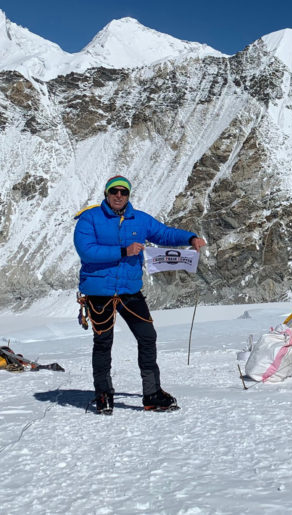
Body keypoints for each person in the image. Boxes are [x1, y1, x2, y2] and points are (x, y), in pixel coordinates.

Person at [73, 175, 207, 415]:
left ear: (128, 195)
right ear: (106, 194)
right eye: (114, 191)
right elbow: (87, 251)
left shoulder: (139, 219)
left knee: (147, 337)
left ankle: (152, 393)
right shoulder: (89, 218)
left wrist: (190, 238)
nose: (118, 196)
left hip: (130, 290)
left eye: (123, 192)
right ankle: (103, 395)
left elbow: (163, 234)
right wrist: (124, 251)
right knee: (103, 343)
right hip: (99, 292)